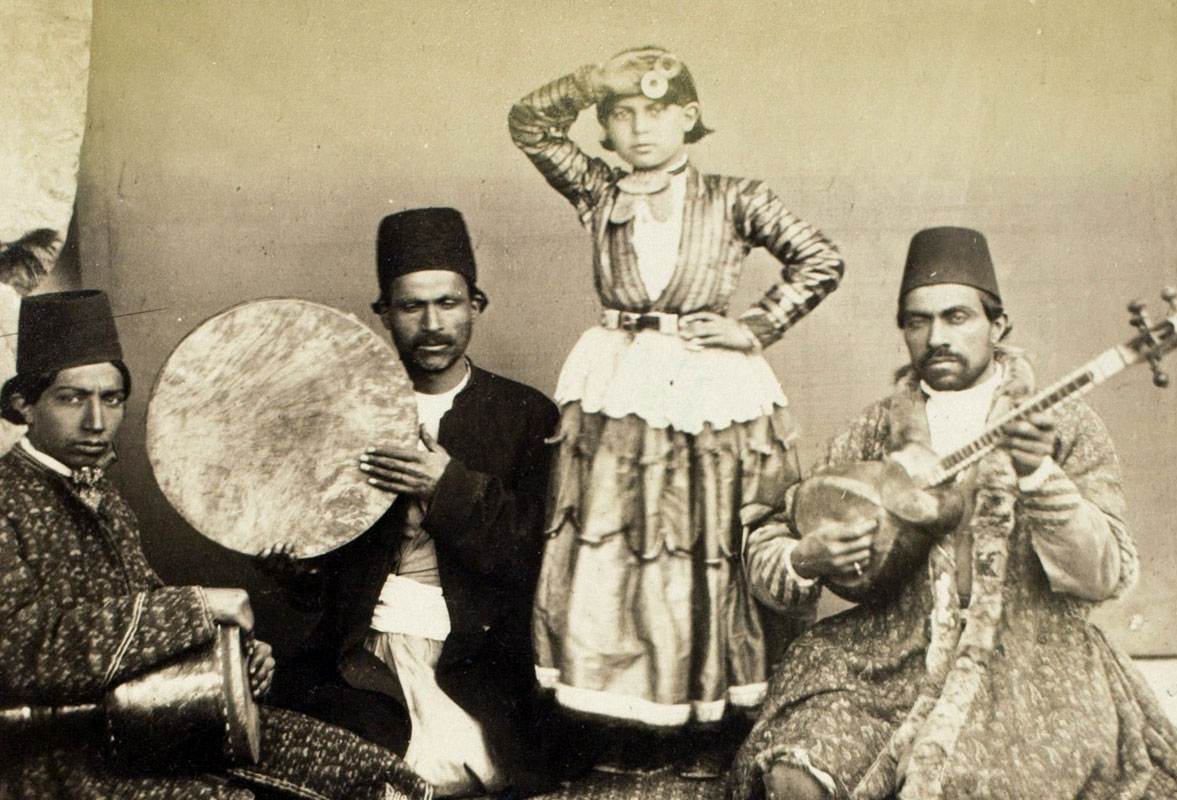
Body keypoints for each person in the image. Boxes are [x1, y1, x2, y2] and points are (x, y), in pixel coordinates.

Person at [729, 227, 1177, 799]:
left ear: (998, 326)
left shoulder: (1063, 424)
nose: (936, 338)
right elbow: (778, 532)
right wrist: (805, 557)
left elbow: (1103, 575)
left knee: (979, 783)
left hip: (1031, 661)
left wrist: (1038, 475)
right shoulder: (876, 427)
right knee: (795, 773)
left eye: (957, 318)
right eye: (918, 322)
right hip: (886, 654)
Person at [508, 46, 843, 775]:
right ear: (604, 126)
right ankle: (636, 728)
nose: (639, 129)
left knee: (705, 544)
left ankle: (710, 726)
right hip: (620, 387)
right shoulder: (597, 189)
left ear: (689, 118)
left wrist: (755, 326)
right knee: (624, 550)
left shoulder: (734, 196)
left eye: (657, 112)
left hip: (708, 390)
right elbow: (529, 124)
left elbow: (820, 258)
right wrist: (589, 81)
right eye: (621, 114)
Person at [0, 289, 428, 800]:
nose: (96, 422)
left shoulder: (103, 496)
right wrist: (199, 608)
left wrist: (232, 658)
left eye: (111, 399)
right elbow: (19, 651)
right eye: (72, 398)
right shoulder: (6, 497)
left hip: (154, 726)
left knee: (378, 775)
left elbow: (144, 610)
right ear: (24, 404)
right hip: (62, 754)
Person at [262, 208, 560, 798]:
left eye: (448, 303)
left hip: (477, 659)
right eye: (410, 307)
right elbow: (324, 578)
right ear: (383, 313)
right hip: (362, 654)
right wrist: (295, 568)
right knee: (320, 754)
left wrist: (446, 486)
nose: (432, 324)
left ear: (476, 305)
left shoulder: (526, 414)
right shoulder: (343, 413)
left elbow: (539, 560)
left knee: (483, 762)